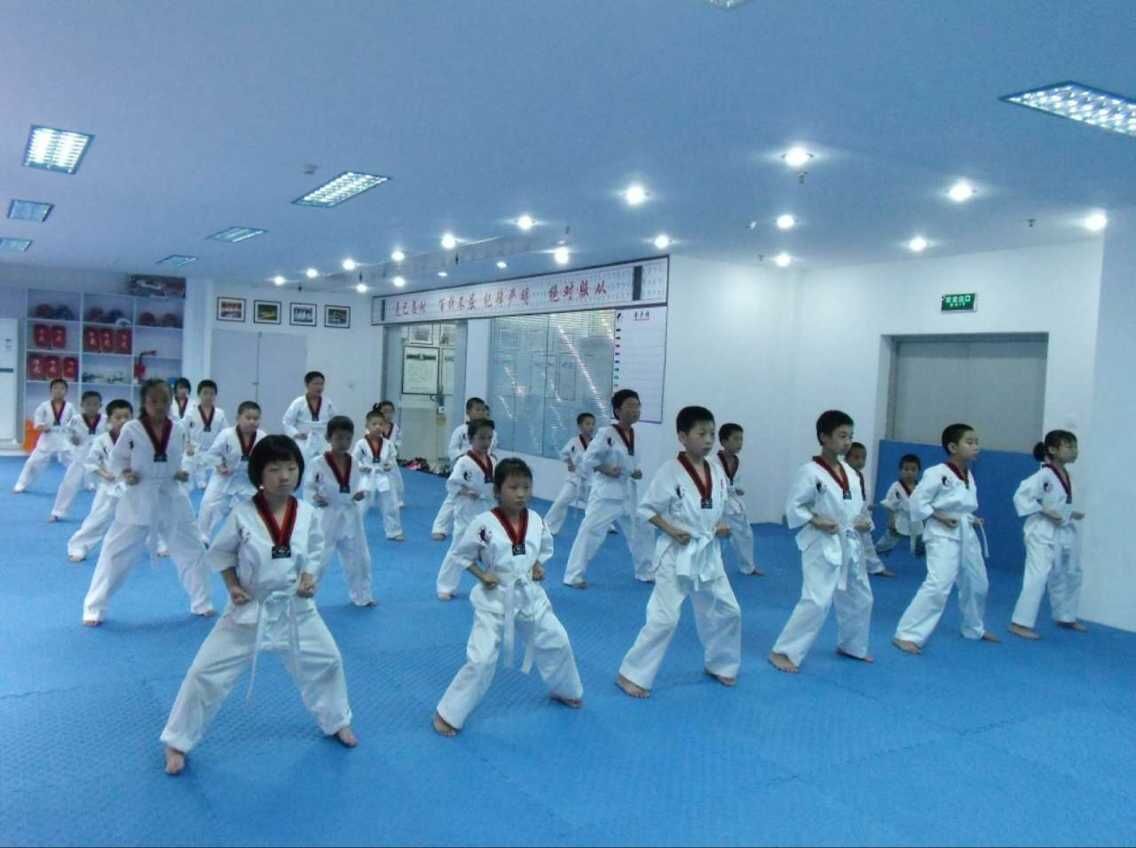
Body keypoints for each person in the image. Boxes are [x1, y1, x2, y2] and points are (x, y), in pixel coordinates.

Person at [160, 435, 357, 775]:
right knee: (204, 673)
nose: (285, 476)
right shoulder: (243, 515)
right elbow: (221, 554)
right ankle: (177, 740)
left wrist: (308, 577)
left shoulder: (307, 513)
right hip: (251, 607)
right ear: (259, 474)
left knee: (329, 661)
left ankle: (337, 720)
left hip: (295, 608)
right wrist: (233, 586)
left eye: (291, 467)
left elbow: (313, 550)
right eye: (275, 469)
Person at [433, 458, 583, 736]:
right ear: (497, 491)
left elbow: (543, 550)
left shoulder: (536, 520)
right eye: (513, 487)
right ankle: (448, 713)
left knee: (557, 640)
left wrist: (537, 565)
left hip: (529, 595)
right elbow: (461, 555)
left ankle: (565, 689)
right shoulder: (483, 524)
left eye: (526, 487)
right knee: (481, 659)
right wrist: (482, 575)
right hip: (494, 598)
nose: (521, 494)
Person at [616, 406, 741, 698]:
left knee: (728, 609)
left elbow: (716, 506)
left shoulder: (716, 470)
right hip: (676, 553)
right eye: (701, 433)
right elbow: (647, 509)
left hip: (707, 552)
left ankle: (721, 663)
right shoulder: (669, 471)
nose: (708, 440)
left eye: (711, 434)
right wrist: (671, 529)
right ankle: (630, 673)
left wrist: (719, 525)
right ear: (683, 437)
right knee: (665, 617)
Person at [81, 379, 214, 626]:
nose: (159, 405)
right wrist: (125, 473)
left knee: (193, 549)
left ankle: (202, 601)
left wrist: (184, 470)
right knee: (115, 553)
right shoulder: (132, 429)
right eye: (153, 400)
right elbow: (117, 459)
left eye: (165, 400)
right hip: (139, 495)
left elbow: (187, 454)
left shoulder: (178, 429)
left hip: (172, 494)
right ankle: (94, 607)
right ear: (144, 402)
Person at [768, 410, 875, 674]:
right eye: (842, 436)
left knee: (861, 597)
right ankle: (784, 651)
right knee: (817, 599)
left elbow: (859, 508)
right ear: (824, 437)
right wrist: (815, 520)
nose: (847, 442)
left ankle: (853, 645)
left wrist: (865, 521)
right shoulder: (809, 472)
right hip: (821, 542)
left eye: (850, 436)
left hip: (850, 541)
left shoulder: (851, 472)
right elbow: (794, 508)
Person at [893, 423, 1000, 654]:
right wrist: (939, 515)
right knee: (938, 584)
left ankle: (973, 627)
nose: (975, 446)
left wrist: (971, 518)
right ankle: (907, 634)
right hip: (941, 534)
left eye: (976, 442)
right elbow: (916, 502)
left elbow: (961, 505)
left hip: (965, 531)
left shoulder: (968, 474)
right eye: (969, 442)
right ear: (952, 447)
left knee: (978, 583)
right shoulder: (936, 473)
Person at [562, 389, 655, 588]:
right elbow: (588, 459)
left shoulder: (635, 436)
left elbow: (629, 462)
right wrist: (606, 469)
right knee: (591, 532)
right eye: (630, 406)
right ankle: (573, 576)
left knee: (641, 529)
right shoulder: (606, 433)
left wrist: (634, 472)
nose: (635, 410)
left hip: (628, 492)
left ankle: (645, 571)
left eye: (637, 406)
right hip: (607, 492)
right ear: (618, 410)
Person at [1009, 430, 1087, 639]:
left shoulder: (1066, 475)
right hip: (1042, 530)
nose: (1074, 451)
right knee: (1038, 575)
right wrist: (1044, 510)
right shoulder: (1043, 475)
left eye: (1075, 446)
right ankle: (1020, 622)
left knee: (1070, 572)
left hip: (1063, 530)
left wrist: (1070, 513)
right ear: (1052, 449)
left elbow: (1059, 504)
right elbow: (1021, 497)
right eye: (1069, 446)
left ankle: (1066, 615)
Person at [305, 415, 373, 607]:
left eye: (348, 438)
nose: (344, 442)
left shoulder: (355, 462)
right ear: (328, 438)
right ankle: (305, 597)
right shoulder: (317, 463)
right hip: (326, 514)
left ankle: (362, 595)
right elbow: (309, 487)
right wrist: (314, 498)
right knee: (318, 557)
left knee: (359, 556)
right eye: (339, 438)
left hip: (350, 513)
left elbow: (362, 483)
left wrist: (361, 492)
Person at [436, 420, 498, 600]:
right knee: (458, 548)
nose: (486, 442)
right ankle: (445, 586)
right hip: (467, 510)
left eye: (489, 438)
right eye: (481, 438)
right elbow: (452, 485)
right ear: (470, 439)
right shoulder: (464, 462)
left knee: (491, 548)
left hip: (487, 510)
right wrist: (467, 491)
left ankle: (491, 581)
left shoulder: (493, 460)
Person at [67, 399, 132, 562]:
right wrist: (104, 473)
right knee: (98, 518)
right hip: (109, 486)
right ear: (109, 419)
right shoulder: (101, 440)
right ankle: (78, 546)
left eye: (127, 417)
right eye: (118, 417)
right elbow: (91, 462)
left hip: (133, 486)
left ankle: (159, 544)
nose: (123, 421)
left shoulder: (138, 439)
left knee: (149, 515)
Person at [196, 401, 266, 543]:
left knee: (258, 508)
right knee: (208, 503)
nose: (252, 422)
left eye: (256, 418)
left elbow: (267, 459)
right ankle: (202, 537)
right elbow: (212, 454)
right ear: (238, 418)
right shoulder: (226, 434)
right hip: (225, 476)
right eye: (248, 417)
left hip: (248, 479)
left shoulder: (262, 437)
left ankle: (253, 538)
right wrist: (219, 465)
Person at [431, 397, 496, 540]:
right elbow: (452, 449)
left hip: (483, 468)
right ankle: (440, 527)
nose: (480, 412)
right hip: (464, 468)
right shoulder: (461, 430)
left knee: (484, 501)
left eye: (482, 410)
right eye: (477, 409)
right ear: (468, 412)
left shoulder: (490, 431)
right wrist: (461, 458)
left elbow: (492, 448)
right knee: (452, 499)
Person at [711, 422, 763, 576]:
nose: (740, 443)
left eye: (741, 439)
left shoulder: (738, 462)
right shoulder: (711, 461)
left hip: (732, 504)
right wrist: (731, 489)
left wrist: (737, 489)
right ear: (724, 441)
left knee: (745, 534)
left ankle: (748, 567)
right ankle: (712, 568)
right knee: (713, 537)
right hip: (715, 504)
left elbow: (736, 483)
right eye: (735, 439)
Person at [50, 389, 106, 521]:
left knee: (106, 486)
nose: (92, 407)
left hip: (99, 459)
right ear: (82, 405)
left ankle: (105, 514)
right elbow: (66, 432)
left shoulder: (105, 419)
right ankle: (57, 512)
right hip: (80, 457)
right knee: (68, 484)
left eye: (95, 404)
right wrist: (72, 438)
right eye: (88, 404)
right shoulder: (76, 419)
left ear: (100, 406)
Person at [13, 378, 77, 493]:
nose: (58, 390)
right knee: (32, 462)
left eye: (62, 388)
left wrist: (74, 434)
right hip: (47, 439)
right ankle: (21, 484)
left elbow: (76, 423)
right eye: (55, 388)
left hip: (64, 439)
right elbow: (37, 423)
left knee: (77, 462)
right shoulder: (43, 406)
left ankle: (88, 483)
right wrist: (42, 427)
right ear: (51, 391)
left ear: (66, 391)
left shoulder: (70, 407)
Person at [353, 406, 404, 541]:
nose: (377, 427)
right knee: (361, 505)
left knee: (390, 505)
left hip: (384, 476)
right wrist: (361, 467)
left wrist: (389, 465)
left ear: (385, 426)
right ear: (367, 426)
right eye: (374, 424)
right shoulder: (361, 443)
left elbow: (392, 458)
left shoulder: (388, 444)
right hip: (367, 476)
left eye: (381, 424)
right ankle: (352, 531)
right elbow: (354, 459)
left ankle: (394, 531)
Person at [844, 442, 894, 578]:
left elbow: (860, 496)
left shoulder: (859, 475)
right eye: (856, 457)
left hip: (860, 511)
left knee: (866, 540)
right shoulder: (843, 475)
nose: (860, 461)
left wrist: (866, 506)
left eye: (863, 458)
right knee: (848, 539)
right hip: (847, 513)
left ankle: (875, 567)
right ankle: (846, 566)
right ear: (846, 458)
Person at [544, 412, 597, 536]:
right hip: (574, 480)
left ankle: (604, 526)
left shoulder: (596, 443)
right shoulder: (574, 441)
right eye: (587, 424)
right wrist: (570, 463)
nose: (591, 427)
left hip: (590, 481)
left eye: (593, 424)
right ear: (580, 426)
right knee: (561, 501)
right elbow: (564, 454)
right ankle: (547, 526)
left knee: (595, 505)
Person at [283, 371, 337, 477]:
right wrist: (296, 434)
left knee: (325, 469)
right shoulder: (298, 402)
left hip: (323, 440)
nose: (319, 387)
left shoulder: (328, 403)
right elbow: (287, 421)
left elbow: (335, 421)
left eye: (321, 384)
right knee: (303, 468)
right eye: (316, 384)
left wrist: (330, 435)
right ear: (307, 384)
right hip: (304, 440)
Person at [875, 454, 925, 557]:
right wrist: (891, 519)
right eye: (906, 469)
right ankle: (879, 550)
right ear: (900, 471)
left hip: (916, 519)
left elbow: (923, 505)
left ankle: (919, 553)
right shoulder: (896, 486)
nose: (909, 472)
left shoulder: (921, 487)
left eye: (913, 469)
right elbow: (890, 505)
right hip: (900, 517)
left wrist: (924, 520)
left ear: (918, 471)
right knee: (890, 537)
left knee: (919, 537)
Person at [184, 380, 228, 490]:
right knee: (186, 481)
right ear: (199, 394)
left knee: (213, 486)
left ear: (215, 395)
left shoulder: (220, 414)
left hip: (213, 451)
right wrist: (187, 445)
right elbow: (182, 431)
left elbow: (225, 434)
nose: (208, 396)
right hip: (194, 450)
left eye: (212, 393)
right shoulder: (190, 412)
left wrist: (223, 452)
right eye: (205, 393)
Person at [376, 400, 406, 508]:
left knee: (396, 479)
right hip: (376, 458)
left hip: (390, 458)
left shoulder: (395, 427)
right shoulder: (375, 426)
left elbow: (398, 440)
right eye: (385, 411)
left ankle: (398, 499)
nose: (388, 414)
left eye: (390, 412)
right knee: (369, 480)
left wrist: (396, 447)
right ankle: (362, 499)